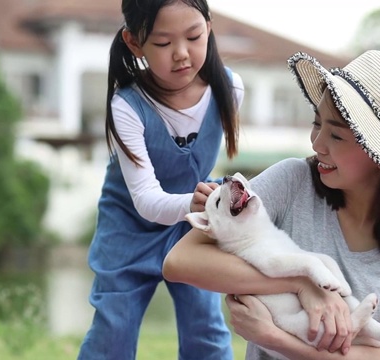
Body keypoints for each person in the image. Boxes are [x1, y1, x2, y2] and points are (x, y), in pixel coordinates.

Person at [163, 50, 380, 359]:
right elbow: (179, 262)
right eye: (316, 123)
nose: (317, 143)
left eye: (336, 135)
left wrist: (274, 337)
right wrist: (302, 282)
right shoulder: (292, 180)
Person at [77, 0, 243, 359]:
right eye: (164, 44)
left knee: (207, 331)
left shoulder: (230, 89)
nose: (182, 54)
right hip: (129, 228)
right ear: (135, 43)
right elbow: (147, 199)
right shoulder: (127, 106)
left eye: (194, 36)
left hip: (193, 224)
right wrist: (192, 203)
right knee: (113, 334)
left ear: (209, 27)